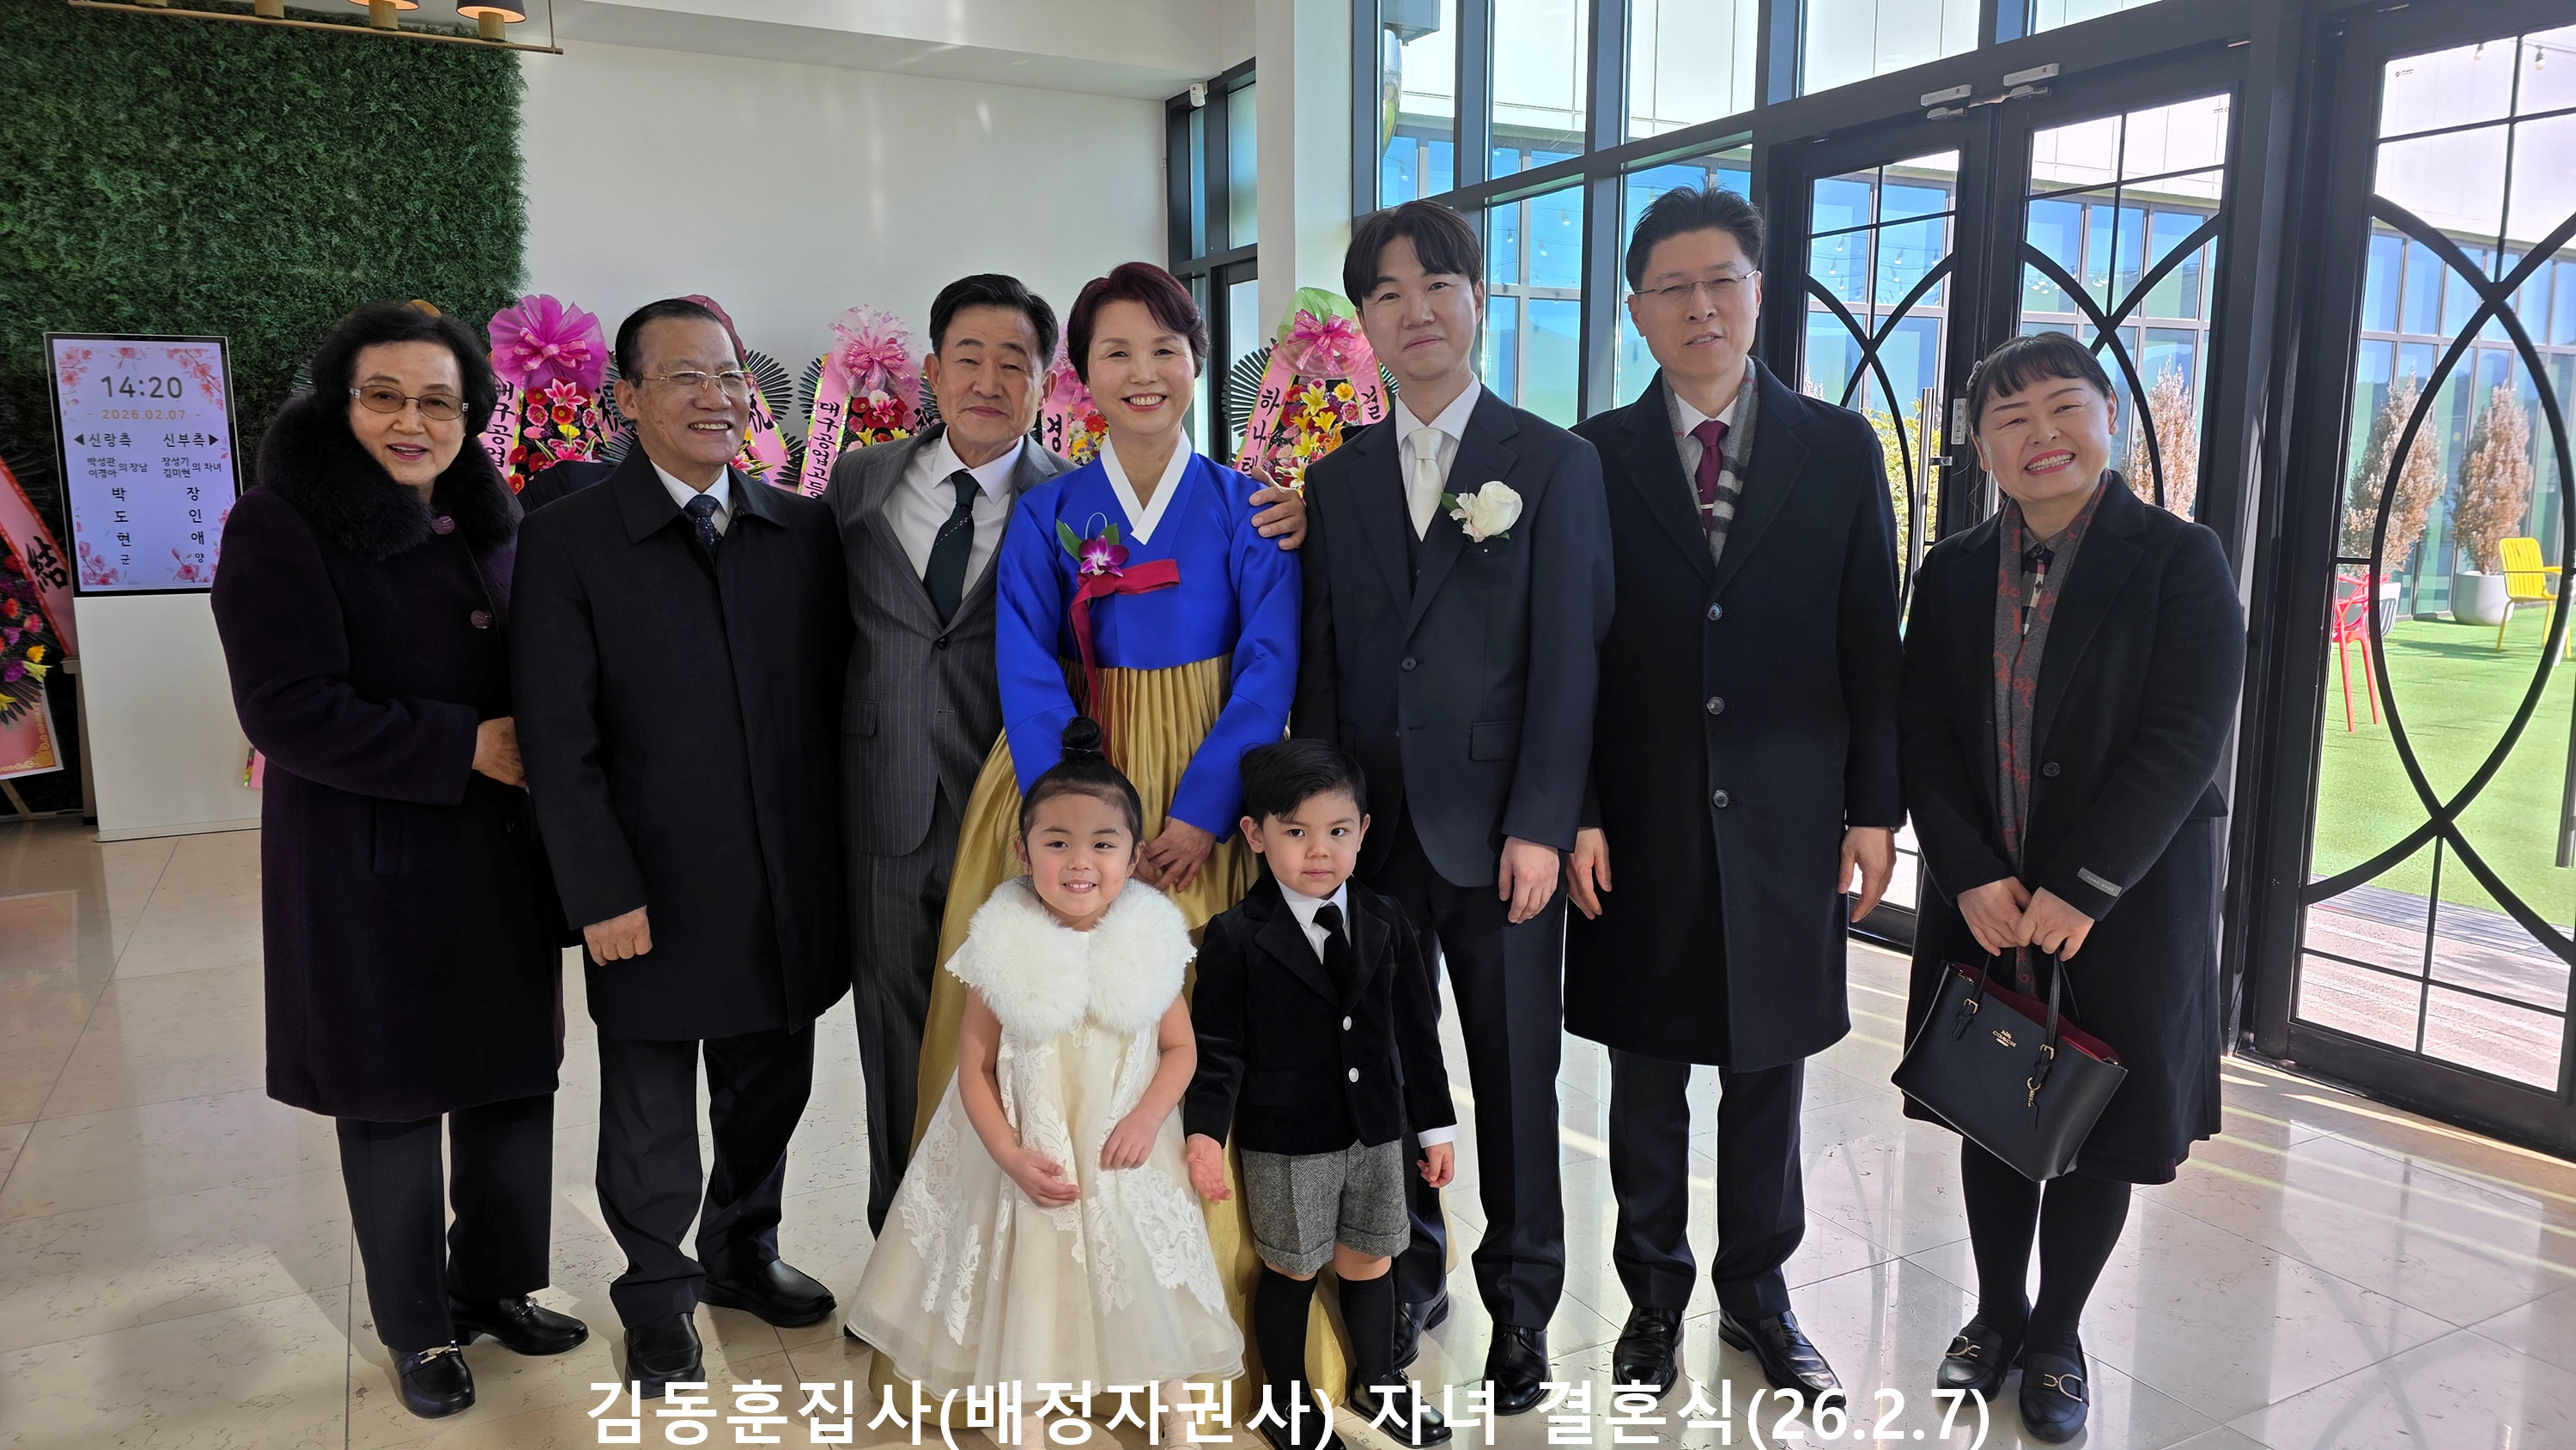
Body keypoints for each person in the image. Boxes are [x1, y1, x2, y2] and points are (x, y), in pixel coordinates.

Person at [833, 274, 1310, 1246]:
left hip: (1209, 778)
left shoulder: (1247, 508)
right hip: (1075, 773)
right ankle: (1047, 1243)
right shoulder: (1050, 512)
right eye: (1116, 353)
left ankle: (1211, 1259)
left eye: (1164, 350)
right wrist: (1073, 830)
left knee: (1205, 1014)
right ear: (1081, 377)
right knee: (1051, 1021)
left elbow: (1268, 670)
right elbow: (1027, 662)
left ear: (1197, 361)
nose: (1143, 373)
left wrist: (1202, 814)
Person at [211, 302, 584, 1420]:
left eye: (438, 401)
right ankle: (418, 1329)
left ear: (470, 417)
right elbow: (286, 709)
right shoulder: (280, 524)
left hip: (499, 855)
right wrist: (462, 745)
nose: (411, 422)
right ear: (340, 403)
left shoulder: (487, 516)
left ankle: (497, 1285)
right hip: (367, 868)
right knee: (393, 1101)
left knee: (512, 1083)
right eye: (385, 396)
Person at [1563, 186, 1903, 1400]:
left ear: (1760, 292)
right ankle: (1652, 1299)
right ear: (1637, 310)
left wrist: (1875, 810)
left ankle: (1760, 1294)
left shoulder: (1840, 449)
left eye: (1723, 281)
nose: (1700, 306)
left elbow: (1871, 641)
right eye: (1673, 287)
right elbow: (1569, 653)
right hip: (1637, 820)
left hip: (1789, 821)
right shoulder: (1589, 457)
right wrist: (1578, 809)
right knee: (1646, 1079)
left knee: (1770, 1076)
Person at [1293, 199, 1613, 1411]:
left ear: (1479, 298)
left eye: (1437, 284)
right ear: (1364, 320)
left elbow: (1572, 661)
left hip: (1499, 841)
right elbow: (1326, 664)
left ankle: (1521, 1310)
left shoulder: (1553, 464)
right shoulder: (1338, 480)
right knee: (1382, 1072)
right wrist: (1321, 830)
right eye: (1386, 291)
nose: (1415, 310)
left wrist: (1542, 821)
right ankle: (1406, 1274)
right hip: (1373, 840)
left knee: (1517, 1080)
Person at [1899, 331, 2244, 1443]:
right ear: (1981, 446)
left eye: (2063, 407)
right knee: (1996, 1101)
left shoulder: (2180, 559)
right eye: (2010, 418)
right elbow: (1922, 734)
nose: (2040, 434)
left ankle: (2057, 1335)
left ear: (2109, 419)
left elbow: (2185, 739)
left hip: (2124, 907)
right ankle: (1995, 1315)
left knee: (2102, 1120)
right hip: (1987, 897)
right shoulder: (1952, 573)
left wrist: (2086, 885)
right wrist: (1966, 873)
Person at [512, 298, 853, 1396]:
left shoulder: (799, 530)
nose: (717, 397)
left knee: (771, 1087)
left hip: (782, 877)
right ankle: (657, 1293)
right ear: (628, 397)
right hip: (647, 884)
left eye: (729, 377)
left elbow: (833, 702)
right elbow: (557, 737)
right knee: (651, 1108)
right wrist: (597, 887)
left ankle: (742, 1249)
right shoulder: (568, 539)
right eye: (684, 377)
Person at [845, 719, 1241, 1443]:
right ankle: (1026, 1411)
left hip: (1126, 1149)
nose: (1080, 862)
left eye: (1103, 844)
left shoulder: (1149, 939)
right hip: (1030, 1149)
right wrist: (1008, 1152)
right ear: (1024, 851)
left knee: (1142, 1274)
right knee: (1030, 1277)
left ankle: (1171, 1405)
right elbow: (974, 1068)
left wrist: (1147, 1118)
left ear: (1133, 854)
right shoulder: (1002, 942)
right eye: (1057, 843)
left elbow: (1180, 1049)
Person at [1184, 739, 1457, 1450]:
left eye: (1337, 831)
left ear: (1363, 831)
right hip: (1287, 1139)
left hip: (1377, 1131)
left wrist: (1434, 1129)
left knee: (1371, 1258)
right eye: (1296, 831)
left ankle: (1380, 1381)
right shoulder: (1236, 936)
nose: (1319, 851)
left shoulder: (1386, 919)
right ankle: (1284, 1402)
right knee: (1293, 1266)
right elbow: (1217, 1050)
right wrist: (1204, 1132)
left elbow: (1417, 1034)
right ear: (1256, 835)